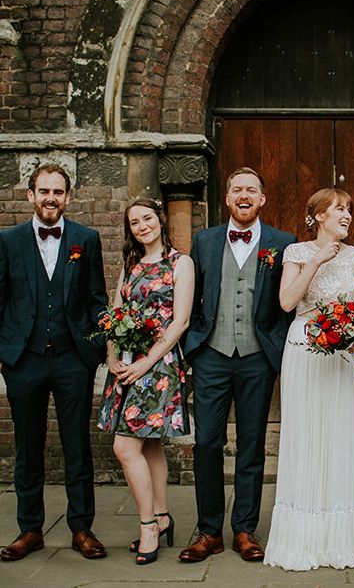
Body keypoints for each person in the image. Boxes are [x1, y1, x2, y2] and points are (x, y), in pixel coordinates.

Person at [179, 167, 295, 563]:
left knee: (252, 445)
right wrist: (195, 346)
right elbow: (193, 298)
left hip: (256, 359)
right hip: (211, 356)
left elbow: (288, 302)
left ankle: (244, 528)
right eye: (237, 190)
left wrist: (274, 350)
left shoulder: (282, 242)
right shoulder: (205, 241)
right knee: (207, 442)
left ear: (262, 199)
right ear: (227, 198)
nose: (244, 196)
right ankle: (209, 530)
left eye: (252, 190)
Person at [264, 188, 354, 571]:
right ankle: (304, 536)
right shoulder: (296, 253)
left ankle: (341, 536)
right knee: (306, 432)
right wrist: (315, 261)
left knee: (341, 435)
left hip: (344, 352)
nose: (347, 215)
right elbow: (286, 302)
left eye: (349, 209)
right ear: (318, 216)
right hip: (304, 346)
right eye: (339, 209)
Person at [0, 163, 108, 561]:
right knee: (28, 448)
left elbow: (97, 299)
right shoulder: (8, 241)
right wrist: (3, 354)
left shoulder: (86, 238)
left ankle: (82, 528)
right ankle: (30, 529)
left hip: (71, 360)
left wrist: (95, 350)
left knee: (77, 446)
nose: (51, 198)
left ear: (68, 196)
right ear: (30, 195)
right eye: (43, 191)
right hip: (23, 359)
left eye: (58, 192)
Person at [96, 199, 193, 565]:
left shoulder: (180, 263)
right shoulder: (130, 265)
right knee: (149, 446)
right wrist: (111, 356)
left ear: (160, 220)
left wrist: (146, 363)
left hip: (158, 365)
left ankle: (148, 525)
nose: (141, 226)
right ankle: (164, 515)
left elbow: (179, 322)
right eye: (134, 222)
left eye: (147, 218)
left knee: (125, 448)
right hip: (126, 364)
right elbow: (115, 313)